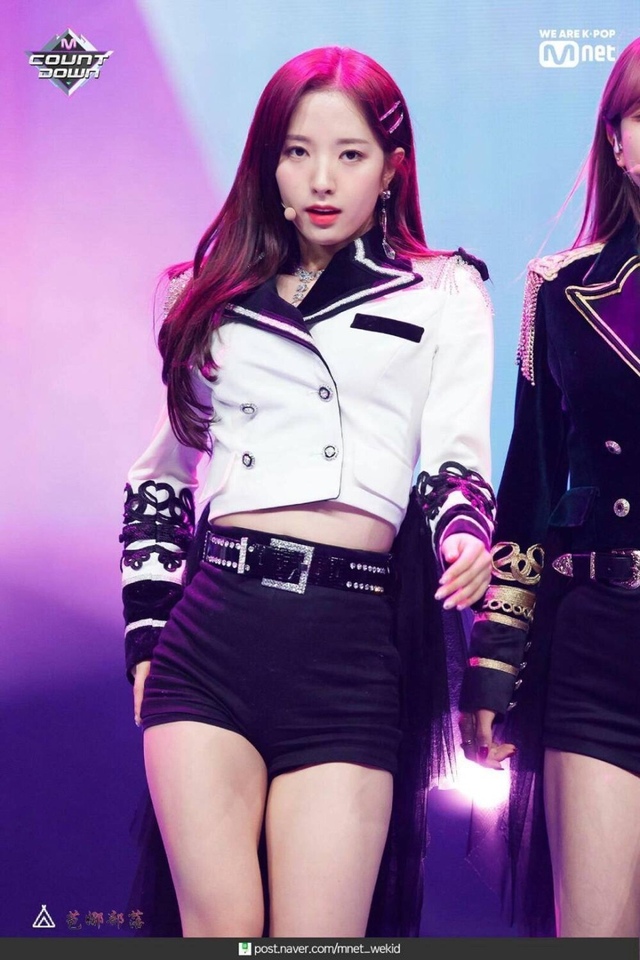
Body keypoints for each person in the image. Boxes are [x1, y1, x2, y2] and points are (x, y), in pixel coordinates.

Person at [120, 45, 495, 938]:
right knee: (220, 932)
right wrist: (145, 638)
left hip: (348, 650)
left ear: (391, 169)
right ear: (269, 162)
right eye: (297, 151)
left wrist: (465, 534)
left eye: (350, 154)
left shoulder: (444, 290)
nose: (322, 178)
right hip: (213, 638)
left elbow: (455, 459)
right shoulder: (206, 297)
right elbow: (161, 476)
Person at [458, 36, 640, 938]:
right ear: (616, 139)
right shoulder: (559, 291)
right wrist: (494, 661)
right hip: (600, 645)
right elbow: (528, 489)